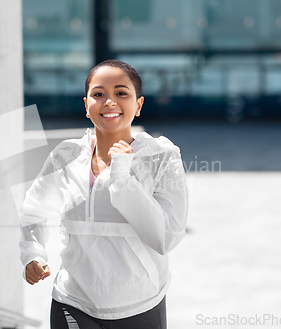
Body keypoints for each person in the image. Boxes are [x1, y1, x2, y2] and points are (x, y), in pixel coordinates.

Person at [19, 59, 188, 329]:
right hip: (72, 301)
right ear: (86, 106)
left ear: (139, 105)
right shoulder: (65, 155)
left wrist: (122, 178)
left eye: (121, 93)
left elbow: (165, 237)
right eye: (98, 94)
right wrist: (33, 253)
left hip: (139, 305)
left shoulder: (161, 157)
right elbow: (35, 208)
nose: (109, 102)